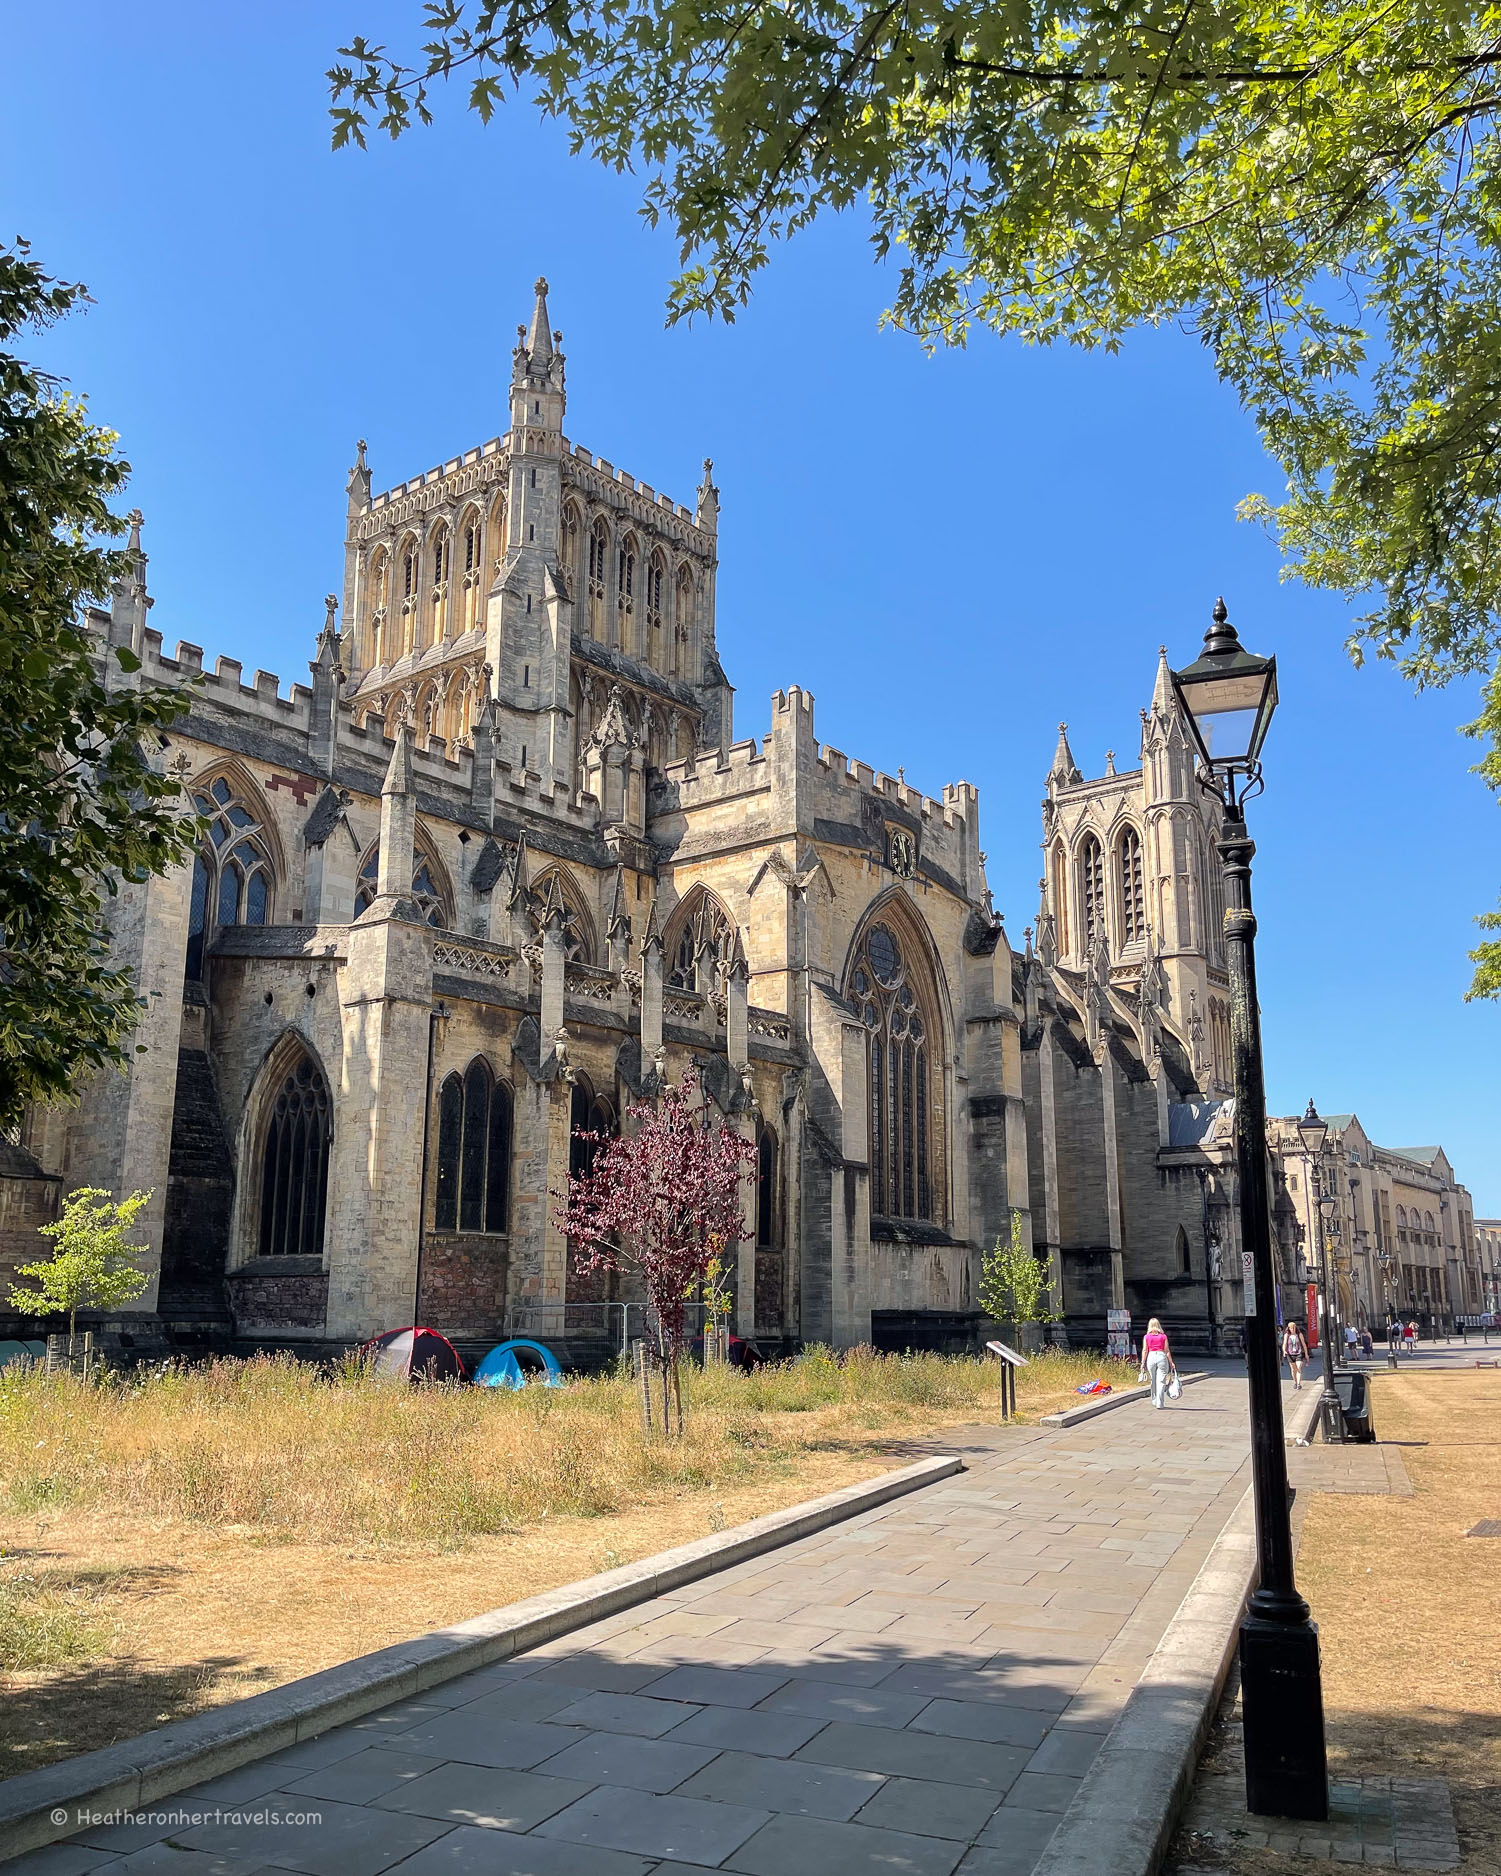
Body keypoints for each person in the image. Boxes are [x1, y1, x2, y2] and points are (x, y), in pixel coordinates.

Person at [1138, 1316, 1176, 1408]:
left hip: (1151, 1356)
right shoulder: (1163, 1336)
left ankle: (1154, 1400)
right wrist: (1171, 1363)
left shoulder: (1146, 1337)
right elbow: (1167, 1351)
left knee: (1153, 1380)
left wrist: (1142, 1362)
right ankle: (1160, 1402)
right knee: (1161, 1381)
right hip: (1161, 1356)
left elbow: (1144, 1350)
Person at [1282, 1319, 1309, 1389]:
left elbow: (1304, 1344)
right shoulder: (1287, 1335)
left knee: (1299, 1367)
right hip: (1290, 1354)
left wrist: (1306, 1354)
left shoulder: (1299, 1335)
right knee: (1293, 1369)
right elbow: (1284, 1344)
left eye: (1294, 1327)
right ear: (1289, 1328)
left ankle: (1299, 1384)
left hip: (1298, 1353)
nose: (1293, 1329)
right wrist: (1284, 1351)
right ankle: (1295, 1382)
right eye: (1291, 1328)